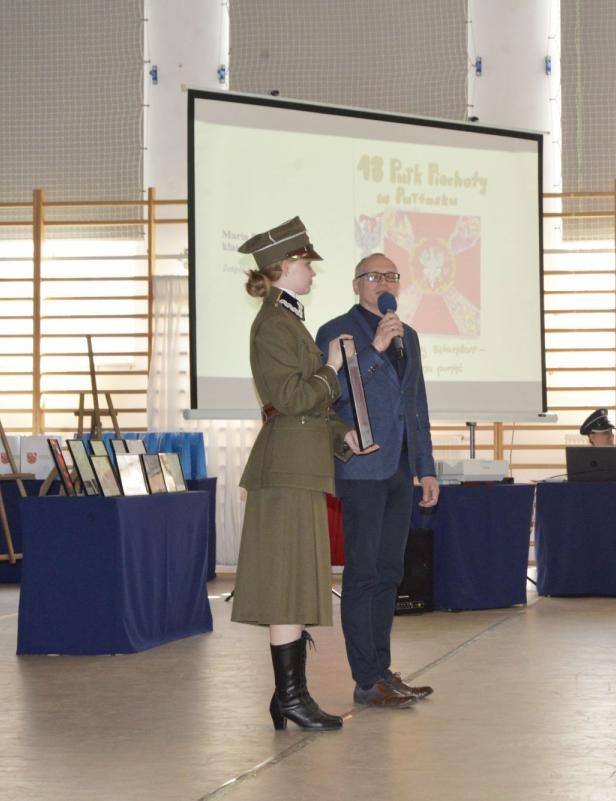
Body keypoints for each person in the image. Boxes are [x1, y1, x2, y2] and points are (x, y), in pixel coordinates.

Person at [232, 216, 377, 731]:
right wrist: (332, 367)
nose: (313, 272)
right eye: (306, 263)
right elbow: (292, 398)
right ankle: (292, 697)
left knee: (293, 585)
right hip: (286, 472)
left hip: (301, 468)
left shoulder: (288, 320)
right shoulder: (275, 323)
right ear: (284, 265)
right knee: (286, 586)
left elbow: (308, 409)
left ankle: (289, 696)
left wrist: (342, 435)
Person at [316, 253, 438, 710]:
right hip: (362, 468)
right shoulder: (337, 332)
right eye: (374, 276)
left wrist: (426, 467)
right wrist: (376, 349)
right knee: (364, 573)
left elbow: (416, 403)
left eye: (391, 276)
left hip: (400, 469)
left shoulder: (410, 336)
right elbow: (332, 395)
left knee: (390, 573)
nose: (383, 283)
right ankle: (365, 679)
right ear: (356, 284)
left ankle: (383, 672)